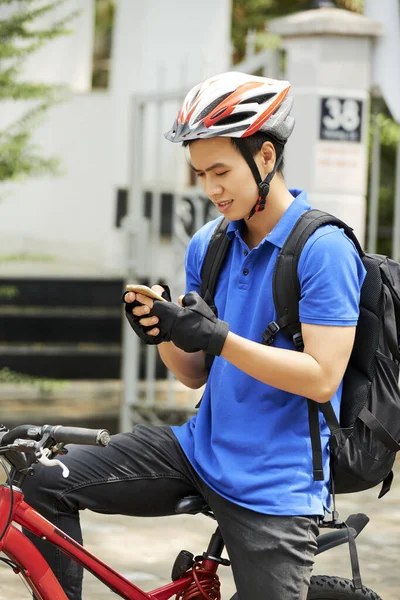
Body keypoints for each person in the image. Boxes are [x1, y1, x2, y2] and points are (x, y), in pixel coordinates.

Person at [23, 72, 366, 600]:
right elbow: (193, 374)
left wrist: (217, 336)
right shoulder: (209, 243)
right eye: (200, 173)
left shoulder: (324, 249)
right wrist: (162, 330)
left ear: (267, 158)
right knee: (44, 485)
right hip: (198, 449)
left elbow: (322, 379)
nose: (210, 189)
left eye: (221, 171)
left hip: (275, 485)